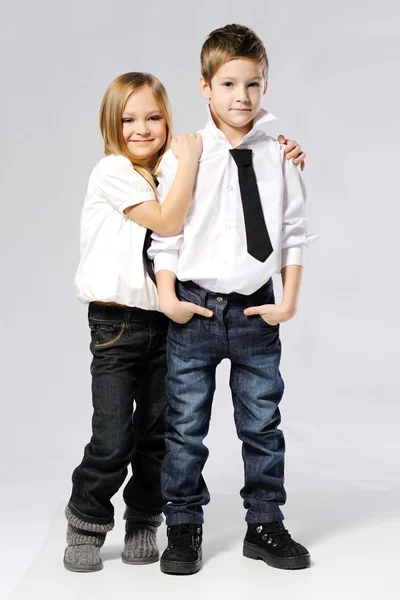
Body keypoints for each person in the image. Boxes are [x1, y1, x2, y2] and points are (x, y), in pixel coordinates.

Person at [149, 23, 317, 575]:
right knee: (184, 427)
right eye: (228, 84)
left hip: (255, 310)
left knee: (262, 424)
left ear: (265, 86)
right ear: (205, 87)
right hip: (194, 311)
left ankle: (265, 525)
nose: (241, 97)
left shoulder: (280, 154)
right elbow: (167, 235)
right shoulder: (185, 153)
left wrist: (287, 302)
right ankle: (183, 527)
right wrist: (168, 298)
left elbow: (293, 231)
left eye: (253, 84)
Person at [64, 71, 204, 572]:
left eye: (154, 117)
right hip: (116, 324)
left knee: (158, 434)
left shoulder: (173, 167)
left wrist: (281, 146)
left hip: (167, 323)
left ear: (168, 120)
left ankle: (144, 519)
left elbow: (233, 157)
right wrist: (188, 160)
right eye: (128, 119)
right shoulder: (112, 171)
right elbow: (167, 221)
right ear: (111, 123)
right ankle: (85, 520)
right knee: (113, 437)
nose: (141, 128)